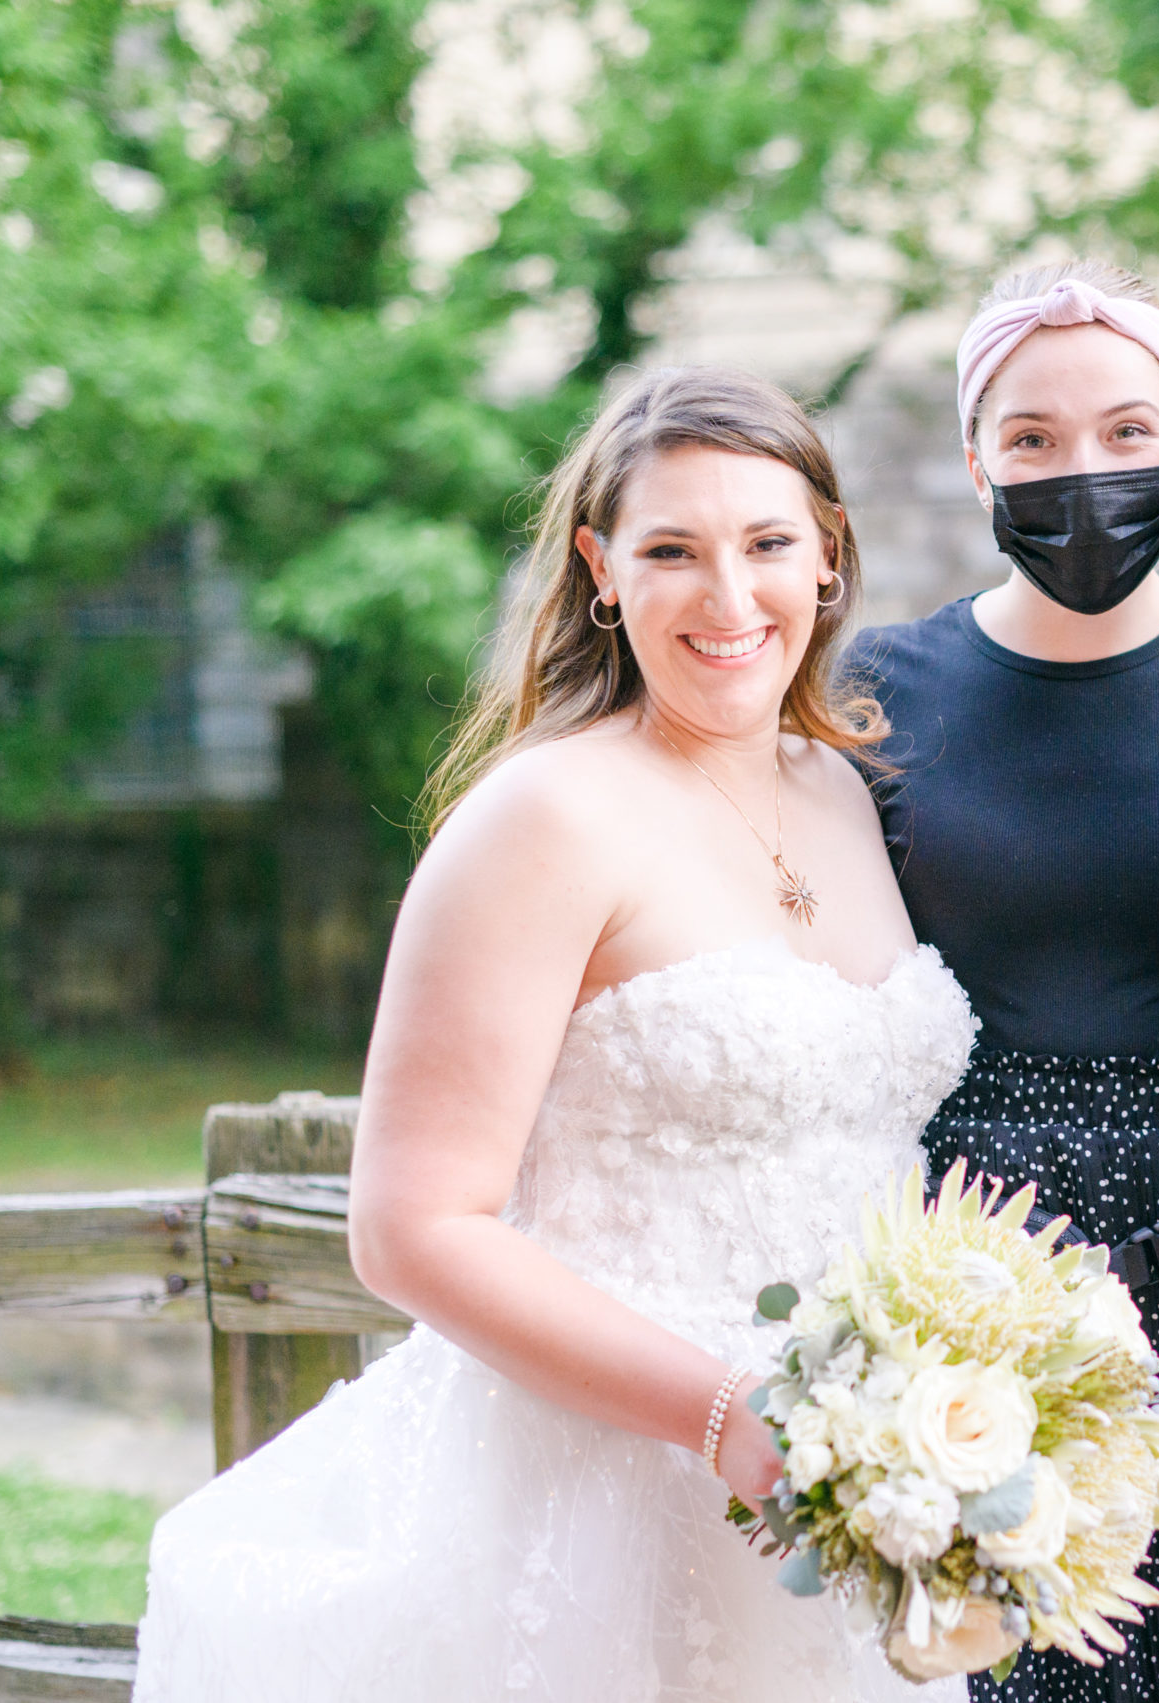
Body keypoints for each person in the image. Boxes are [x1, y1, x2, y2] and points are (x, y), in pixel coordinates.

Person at [134, 367, 977, 1702]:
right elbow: (412, 1227)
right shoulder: (544, 821)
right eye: (671, 552)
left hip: (854, 1499)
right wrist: (723, 1417)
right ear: (601, 568)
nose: (728, 596)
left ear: (827, 556)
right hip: (595, 1501)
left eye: (766, 545)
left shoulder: (847, 789)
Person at [854, 259, 1159, 1703]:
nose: (1085, 472)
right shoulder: (888, 686)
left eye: (1128, 433)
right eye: (1034, 440)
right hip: (969, 1278)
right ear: (976, 459)